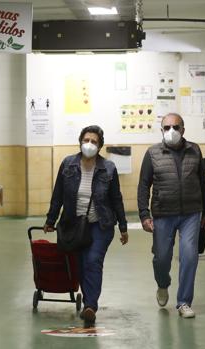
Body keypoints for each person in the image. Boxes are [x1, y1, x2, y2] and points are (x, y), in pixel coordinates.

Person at [44, 125, 128, 325]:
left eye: (94, 142)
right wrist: (50, 219)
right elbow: (58, 196)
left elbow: (116, 199)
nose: (89, 144)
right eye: (86, 140)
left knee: (93, 260)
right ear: (80, 142)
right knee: (80, 264)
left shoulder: (108, 168)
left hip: (100, 224)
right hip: (73, 225)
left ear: (100, 146)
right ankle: (88, 301)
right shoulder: (68, 164)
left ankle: (90, 306)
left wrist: (123, 227)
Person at [137, 113, 205, 318]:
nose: (172, 131)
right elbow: (144, 185)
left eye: (176, 127)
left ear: (183, 130)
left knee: (189, 256)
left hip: (191, 212)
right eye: (167, 127)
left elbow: (203, 183)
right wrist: (144, 214)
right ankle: (163, 284)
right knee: (162, 258)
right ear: (161, 130)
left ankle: (184, 302)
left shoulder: (194, 150)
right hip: (163, 213)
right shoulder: (152, 153)